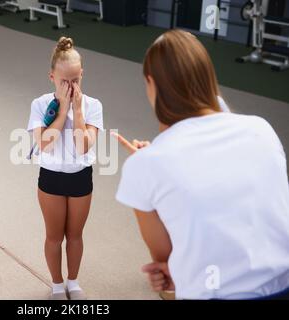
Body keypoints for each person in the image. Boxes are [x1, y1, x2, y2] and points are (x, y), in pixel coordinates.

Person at [115, 29, 289, 300]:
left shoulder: (144, 166)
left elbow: (167, 266)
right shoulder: (261, 129)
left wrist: (151, 164)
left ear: (152, 83)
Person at [27, 37, 104, 300]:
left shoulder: (93, 105)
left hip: (80, 177)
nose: (70, 87)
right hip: (50, 178)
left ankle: (73, 281)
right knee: (54, 236)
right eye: (64, 81)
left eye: (75, 80)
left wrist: (78, 111)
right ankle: (57, 284)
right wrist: (61, 111)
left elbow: (83, 147)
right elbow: (44, 145)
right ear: (52, 77)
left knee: (75, 235)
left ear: (82, 74)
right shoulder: (39, 105)